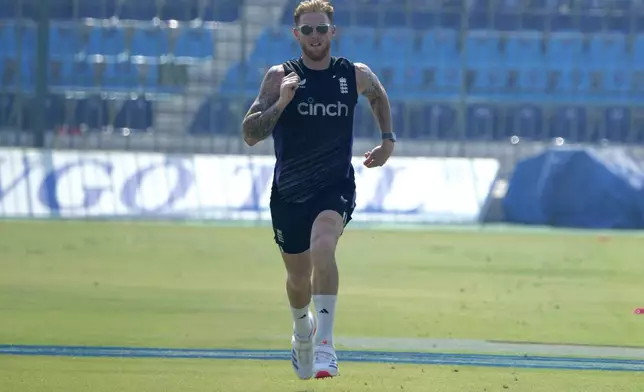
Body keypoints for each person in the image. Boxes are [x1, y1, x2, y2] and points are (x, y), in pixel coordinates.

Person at [240, 0, 396, 380]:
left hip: (334, 186)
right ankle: (302, 331)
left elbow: (376, 94)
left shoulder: (352, 74)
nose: (315, 36)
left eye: (321, 29)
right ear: (296, 34)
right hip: (289, 192)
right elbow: (250, 133)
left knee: (324, 246)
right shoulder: (280, 77)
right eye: (307, 30)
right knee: (298, 279)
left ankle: (325, 345)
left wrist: (387, 140)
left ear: (333, 32)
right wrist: (282, 102)